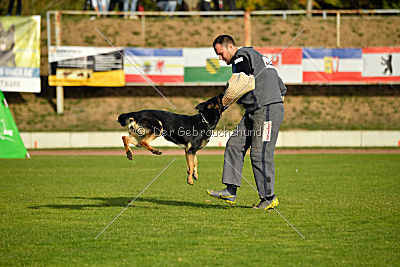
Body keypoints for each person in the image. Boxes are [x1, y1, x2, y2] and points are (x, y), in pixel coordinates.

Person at [207, 35, 286, 210]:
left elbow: (241, 81)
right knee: (234, 145)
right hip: (255, 110)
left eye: (220, 54)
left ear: (230, 47)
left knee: (259, 154)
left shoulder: (241, 56)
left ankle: (268, 198)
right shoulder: (259, 58)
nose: (220, 58)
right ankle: (230, 190)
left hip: (266, 110)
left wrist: (221, 105)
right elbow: (281, 87)